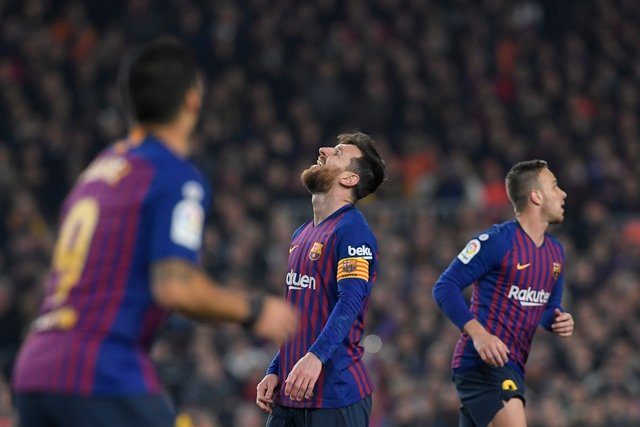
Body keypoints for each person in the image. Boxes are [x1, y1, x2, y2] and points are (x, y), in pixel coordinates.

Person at [11, 37, 298, 427]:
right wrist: (255, 310)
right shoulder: (173, 175)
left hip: (35, 369)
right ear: (192, 99)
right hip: (99, 368)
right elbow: (175, 287)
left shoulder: (97, 172)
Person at [255, 132, 386, 427]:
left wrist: (315, 357)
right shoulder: (301, 234)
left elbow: (351, 300)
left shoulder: (352, 231)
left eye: (337, 152)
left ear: (350, 179)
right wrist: (277, 366)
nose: (323, 150)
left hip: (334, 394)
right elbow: (303, 313)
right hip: (291, 390)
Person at [432, 159, 575, 427]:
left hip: (514, 366)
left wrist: (558, 318)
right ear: (536, 196)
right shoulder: (498, 241)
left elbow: (547, 308)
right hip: (482, 365)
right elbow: (444, 286)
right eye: (555, 186)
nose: (563, 193)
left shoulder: (556, 253)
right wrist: (480, 335)